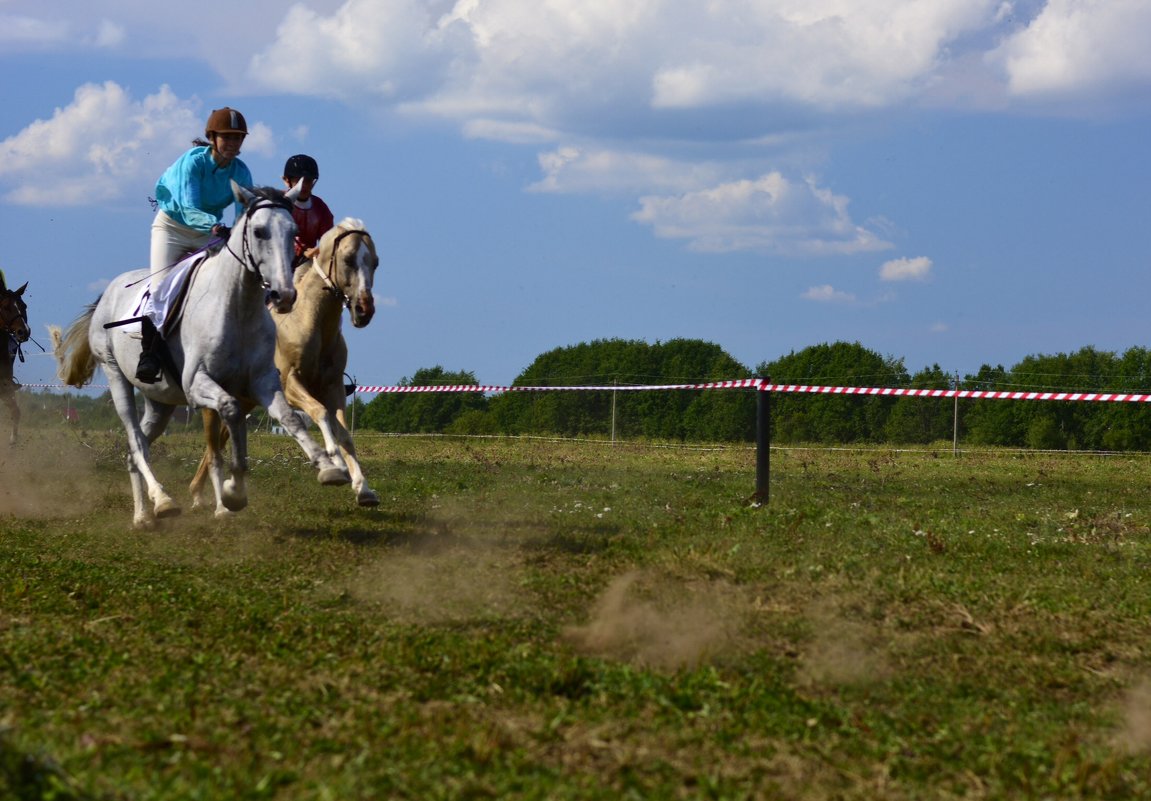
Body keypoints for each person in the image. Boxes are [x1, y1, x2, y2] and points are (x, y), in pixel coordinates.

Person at [137, 107, 254, 383]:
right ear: (212, 138)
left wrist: (238, 233)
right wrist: (216, 227)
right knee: (162, 290)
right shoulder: (192, 162)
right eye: (227, 137)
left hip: (210, 231)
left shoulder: (241, 172)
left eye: (238, 138)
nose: (233, 143)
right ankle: (149, 355)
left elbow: (242, 212)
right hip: (173, 229)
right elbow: (189, 209)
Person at [282, 154, 334, 265]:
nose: (304, 185)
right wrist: (303, 250)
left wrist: (321, 249)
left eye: (308, 181)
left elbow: (329, 240)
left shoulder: (321, 207)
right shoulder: (278, 204)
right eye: (298, 180)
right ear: (286, 180)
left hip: (309, 265)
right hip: (280, 264)